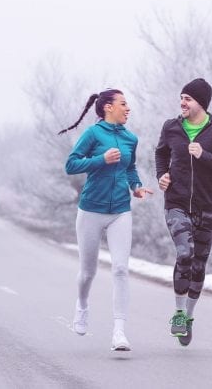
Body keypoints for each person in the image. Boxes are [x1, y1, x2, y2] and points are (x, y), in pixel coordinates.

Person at [59, 88, 152, 351]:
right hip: (91, 210)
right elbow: (71, 165)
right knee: (88, 272)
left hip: (120, 210)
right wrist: (101, 159)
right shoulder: (92, 134)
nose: (128, 108)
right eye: (123, 104)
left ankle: (119, 332)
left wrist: (136, 186)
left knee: (121, 269)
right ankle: (82, 305)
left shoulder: (130, 138)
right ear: (108, 107)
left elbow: (130, 168)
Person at [155, 78, 212, 346]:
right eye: (181, 97)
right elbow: (160, 154)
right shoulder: (171, 127)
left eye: (188, 98)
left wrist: (204, 155)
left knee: (199, 264)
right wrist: (162, 175)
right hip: (177, 203)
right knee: (184, 253)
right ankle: (178, 314)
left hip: (207, 207)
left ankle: (188, 318)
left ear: (201, 103)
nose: (182, 102)